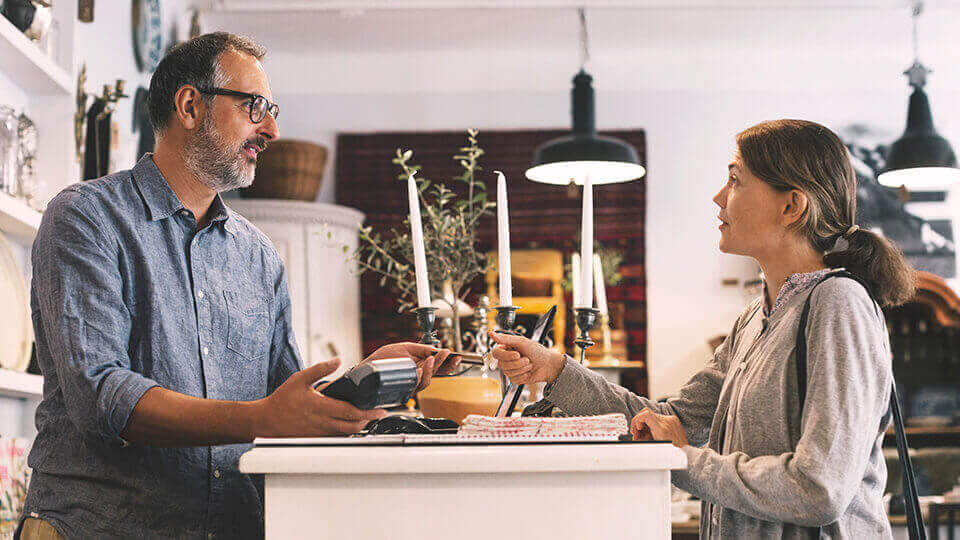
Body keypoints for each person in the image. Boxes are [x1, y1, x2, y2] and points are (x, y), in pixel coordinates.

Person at [19, 32, 456, 540]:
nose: (270, 128)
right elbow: (102, 394)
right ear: (189, 106)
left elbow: (286, 400)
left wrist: (362, 382)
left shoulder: (260, 256)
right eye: (254, 107)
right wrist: (265, 415)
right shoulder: (85, 218)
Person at [490, 119, 916, 539]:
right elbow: (664, 422)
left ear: (792, 206)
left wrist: (686, 460)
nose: (718, 197)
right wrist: (556, 369)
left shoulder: (839, 304)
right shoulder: (754, 319)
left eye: (735, 180)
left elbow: (819, 487)